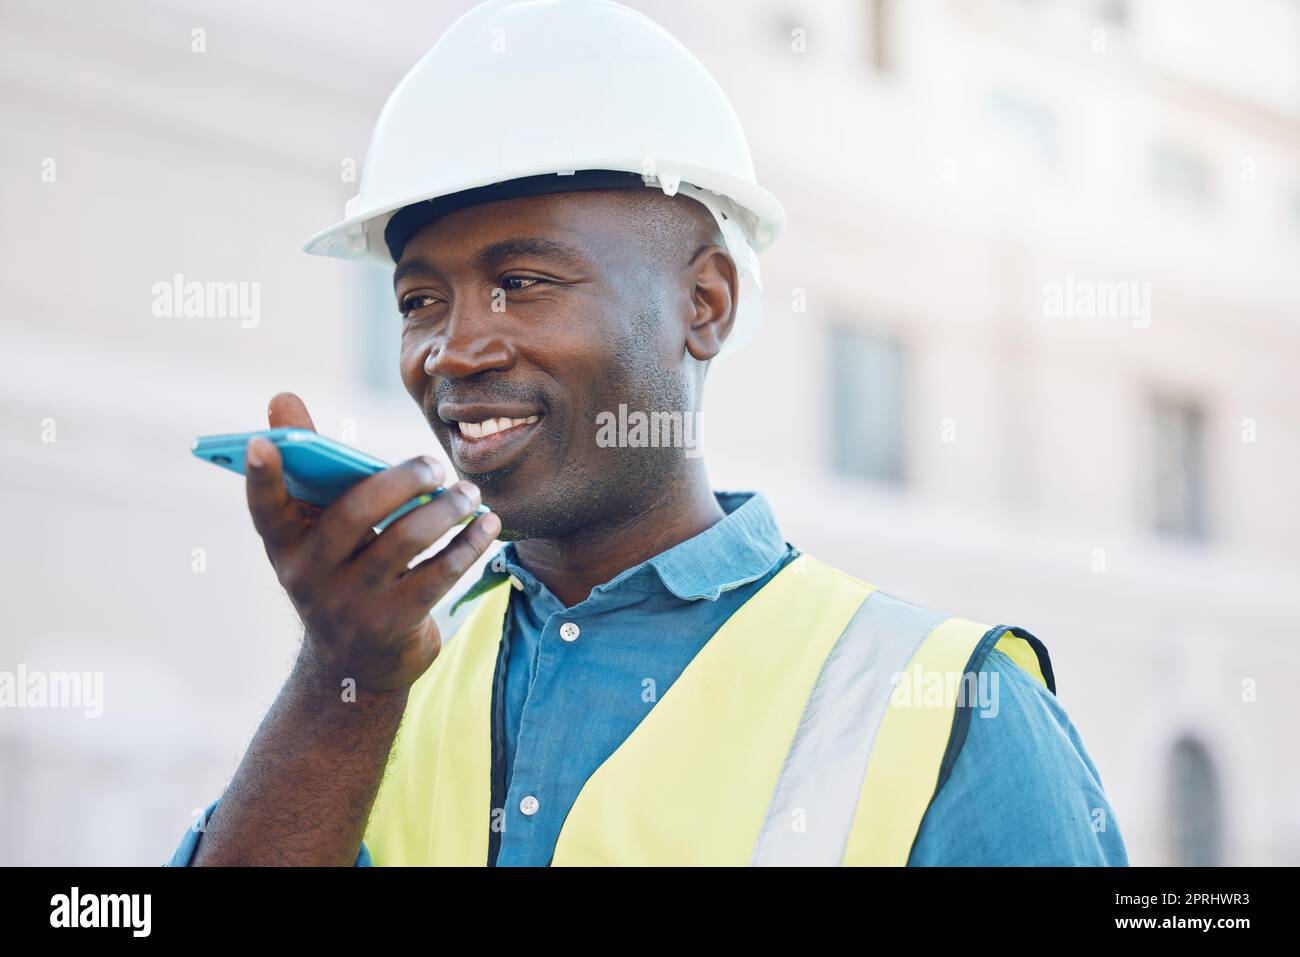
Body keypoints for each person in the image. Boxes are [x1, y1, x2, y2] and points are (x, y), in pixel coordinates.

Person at [168, 0, 1127, 866]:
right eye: (422, 299)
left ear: (704, 302)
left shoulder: (949, 711)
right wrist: (343, 677)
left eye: (526, 282)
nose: (453, 351)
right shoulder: (378, 683)